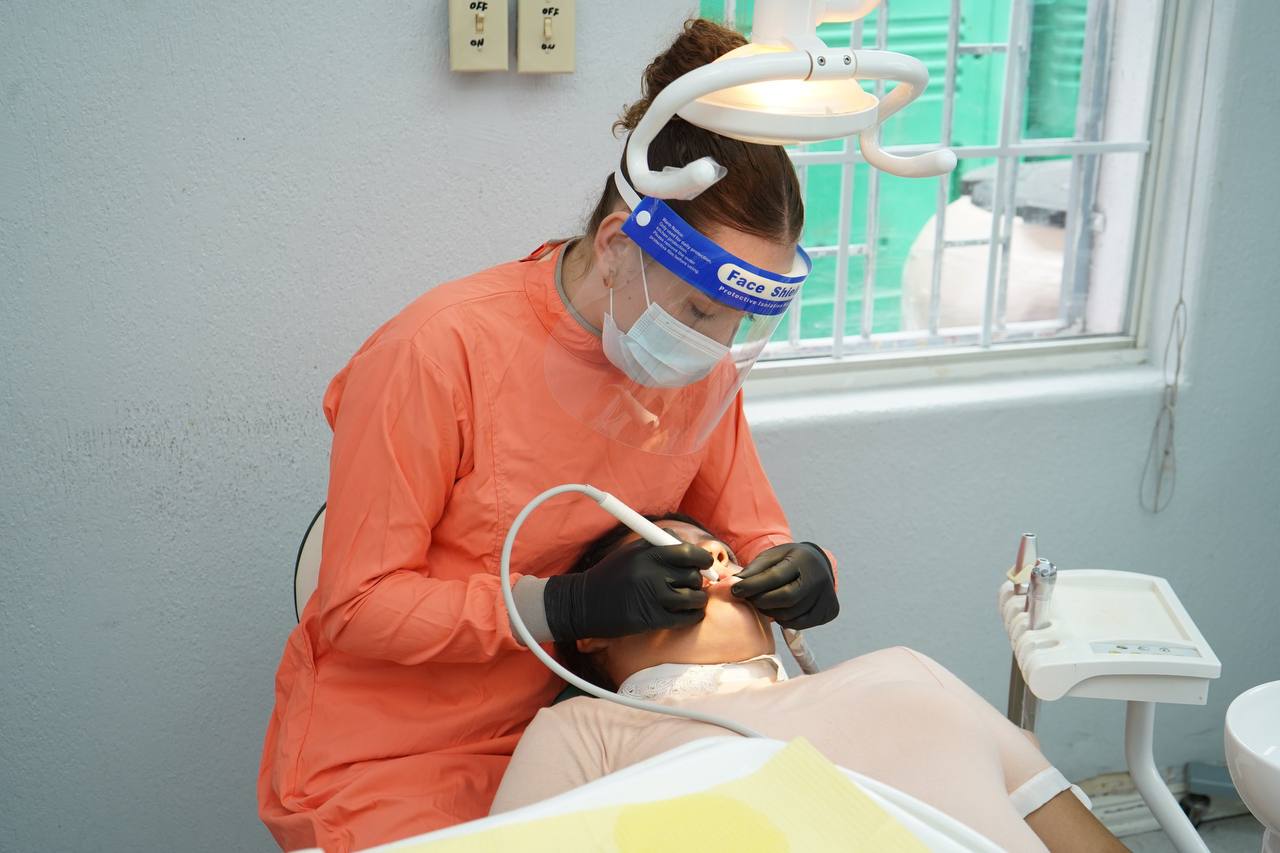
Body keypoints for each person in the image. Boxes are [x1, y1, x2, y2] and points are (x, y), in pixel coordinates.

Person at [258, 19, 842, 853]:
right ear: (616, 247)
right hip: (398, 756)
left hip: (591, 724)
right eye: (700, 311)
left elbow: (752, 528)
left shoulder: (693, 367)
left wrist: (802, 569)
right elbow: (356, 605)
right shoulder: (438, 351)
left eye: (736, 321)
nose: (714, 344)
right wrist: (559, 605)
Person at [490, 516, 1128, 853]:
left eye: (722, 553)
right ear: (594, 630)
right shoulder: (586, 731)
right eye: (663, 560)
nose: (713, 559)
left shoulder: (903, 668)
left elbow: (1076, 839)